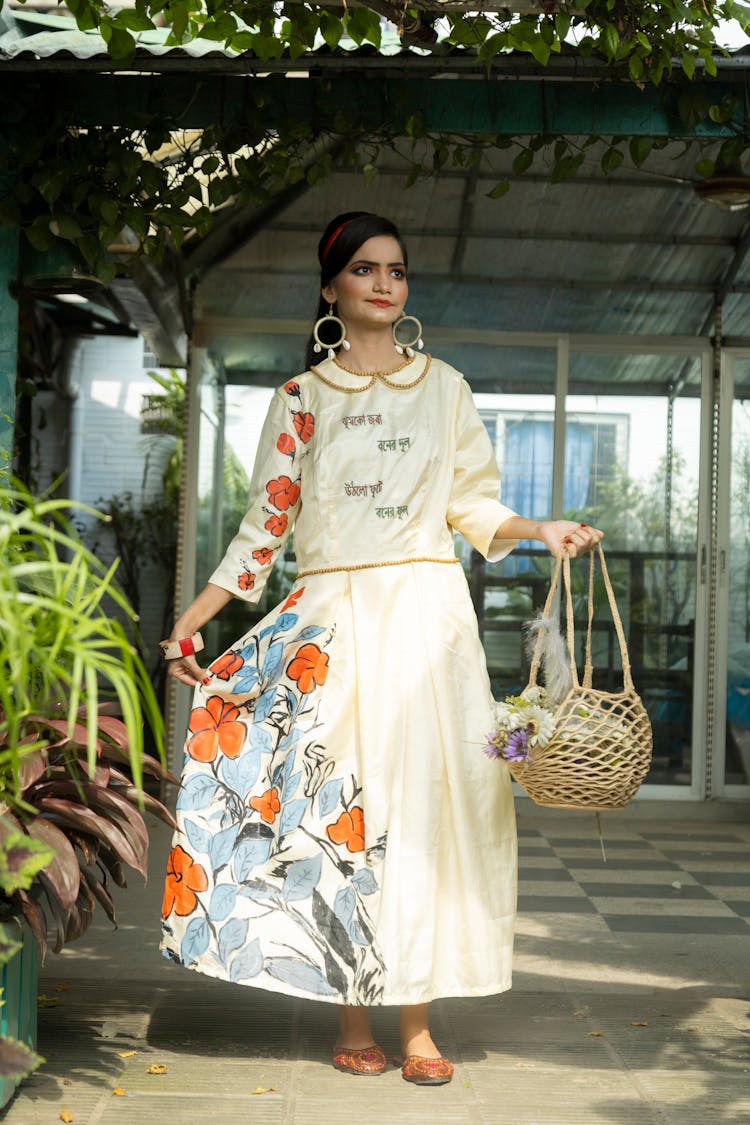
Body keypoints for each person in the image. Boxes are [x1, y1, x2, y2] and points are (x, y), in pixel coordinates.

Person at [159, 212, 603, 1086]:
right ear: (332, 289)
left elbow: (474, 505)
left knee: (433, 813)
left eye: (396, 270)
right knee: (343, 815)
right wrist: (193, 616)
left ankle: (420, 1021)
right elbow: (263, 529)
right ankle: (352, 1010)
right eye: (364, 269)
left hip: (431, 622)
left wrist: (539, 527)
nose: (384, 283)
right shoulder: (299, 399)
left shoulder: (445, 388)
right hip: (333, 626)